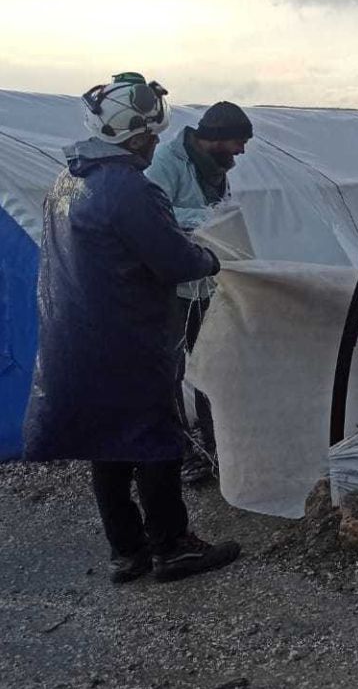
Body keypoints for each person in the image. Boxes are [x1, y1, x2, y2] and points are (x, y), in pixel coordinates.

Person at [23, 73, 241, 584]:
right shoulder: (129, 191)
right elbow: (173, 260)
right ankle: (173, 547)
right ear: (135, 135)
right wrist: (213, 257)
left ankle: (128, 551)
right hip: (128, 338)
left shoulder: (69, 181)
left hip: (78, 337)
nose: (155, 144)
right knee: (155, 438)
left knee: (109, 444)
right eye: (151, 135)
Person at [145, 101, 254, 484]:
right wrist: (203, 219)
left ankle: (216, 443)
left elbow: (214, 209)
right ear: (217, 139)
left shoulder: (213, 167)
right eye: (238, 143)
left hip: (203, 282)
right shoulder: (167, 164)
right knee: (172, 370)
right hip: (173, 285)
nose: (241, 152)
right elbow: (150, 214)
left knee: (210, 360)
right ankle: (185, 450)